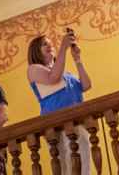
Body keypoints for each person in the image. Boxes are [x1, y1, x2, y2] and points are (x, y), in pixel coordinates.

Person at [29, 29, 93, 175]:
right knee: (66, 166)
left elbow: (86, 85)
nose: (49, 46)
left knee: (84, 165)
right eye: (44, 44)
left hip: (76, 121)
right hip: (57, 125)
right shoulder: (34, 69)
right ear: (35, 51)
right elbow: (53, 78)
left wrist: (77, 59)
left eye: (50, 43)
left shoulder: (66, 74)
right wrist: (63, 47)